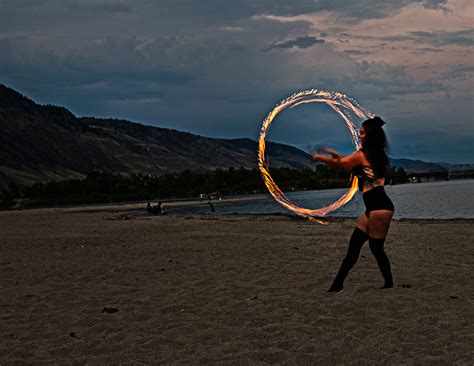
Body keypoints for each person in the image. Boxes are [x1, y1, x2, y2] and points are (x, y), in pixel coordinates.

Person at [312, 116, 395, 292]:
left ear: (370, 136)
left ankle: (389, 284)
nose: (359, 135)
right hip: (374, 207)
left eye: (362, 133)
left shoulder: (363, 154)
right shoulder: (377, 156)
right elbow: (347, 164)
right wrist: (333, 156)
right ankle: (337, 285)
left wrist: (320, 158)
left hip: (380, 208)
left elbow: (344, 163)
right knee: (355, 244)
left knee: (375, 247)